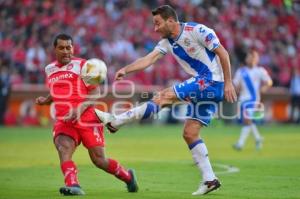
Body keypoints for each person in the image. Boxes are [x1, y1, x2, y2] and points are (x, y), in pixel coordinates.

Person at [95, 5, 237, 195]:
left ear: (171, 20)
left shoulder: (197, 30)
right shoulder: (167, 42)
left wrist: (228, 83)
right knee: (190, 133)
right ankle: (210, 179)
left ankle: (116, 121)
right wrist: (126, 70)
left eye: (157, 23)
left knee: (163, 97)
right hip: (206, 85)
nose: (155, 29)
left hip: (211, 81)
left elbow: (223, 53)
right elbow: (148, 59)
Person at [35, 34, 138, 196]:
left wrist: (78, 109)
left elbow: (96, 92)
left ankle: (128, 177)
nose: (66, 51)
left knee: (99, 160)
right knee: (64, 148)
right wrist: (46, 100)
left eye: (69, 47)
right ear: (55, 49)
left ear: (73, 48)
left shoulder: (83, 65)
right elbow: (56, 91)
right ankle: (73, 184)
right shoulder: (49, 69)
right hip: (65, 120)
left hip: (88, 118)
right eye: (61, 48)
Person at [232, 50, 272, 151]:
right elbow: (235, 84)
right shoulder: (241, 71)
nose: (251, 59)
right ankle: (258, 138)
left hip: (253, 99)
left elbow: (269, 81)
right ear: (246, 59)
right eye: (249, 57)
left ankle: (240, 144)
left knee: (247, 120)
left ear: (257, 59)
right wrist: (236, 89)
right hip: (242, 99)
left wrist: (264, 88)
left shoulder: (260, 71)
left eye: (253, 57)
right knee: (249, 121)